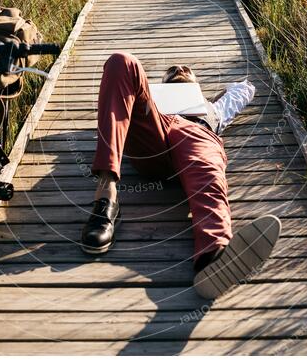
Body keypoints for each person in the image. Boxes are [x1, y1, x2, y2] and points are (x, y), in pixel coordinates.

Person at [82, 52, 281, 300]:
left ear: (196, 84)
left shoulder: (215, 108)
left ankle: (213, 255)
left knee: (204, 160)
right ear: (163, 84)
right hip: (153, 138)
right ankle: (106, 198)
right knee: (121, 61)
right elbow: (116, 104)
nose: (179, 68)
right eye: (172, 70)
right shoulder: (148, 99)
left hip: (196, 135)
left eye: (187, 69)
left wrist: (210, 96)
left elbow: (245, 88)